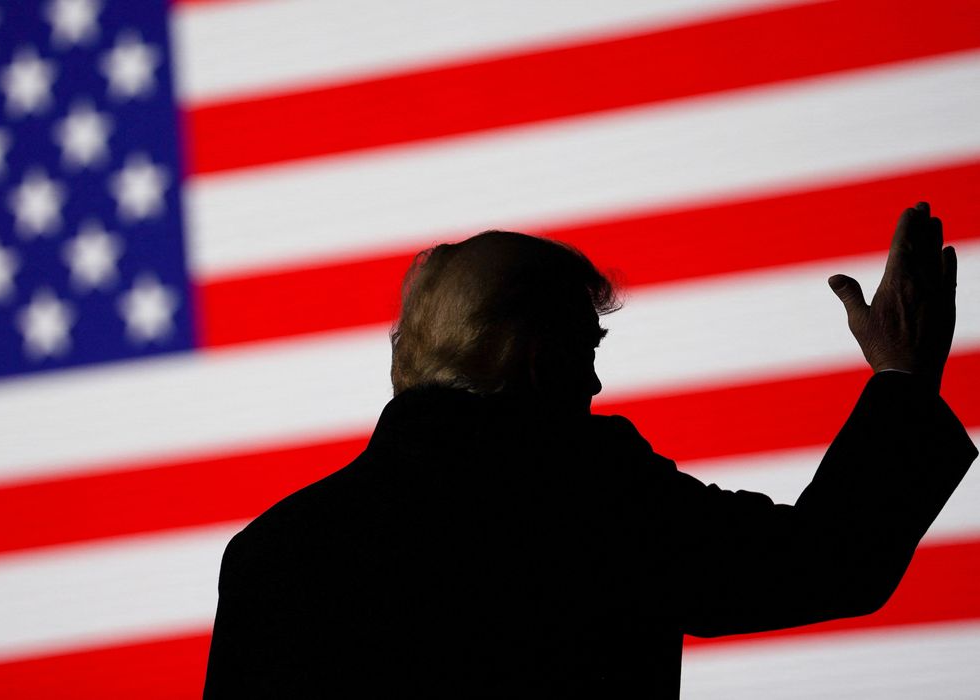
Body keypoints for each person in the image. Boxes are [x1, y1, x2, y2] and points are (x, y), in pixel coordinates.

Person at [202, 203, 975, 697]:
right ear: (538, 360)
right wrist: (903, 376)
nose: (596, 383)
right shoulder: (593, 499)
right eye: (585, 349)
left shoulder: (270, 555)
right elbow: (827, 561)